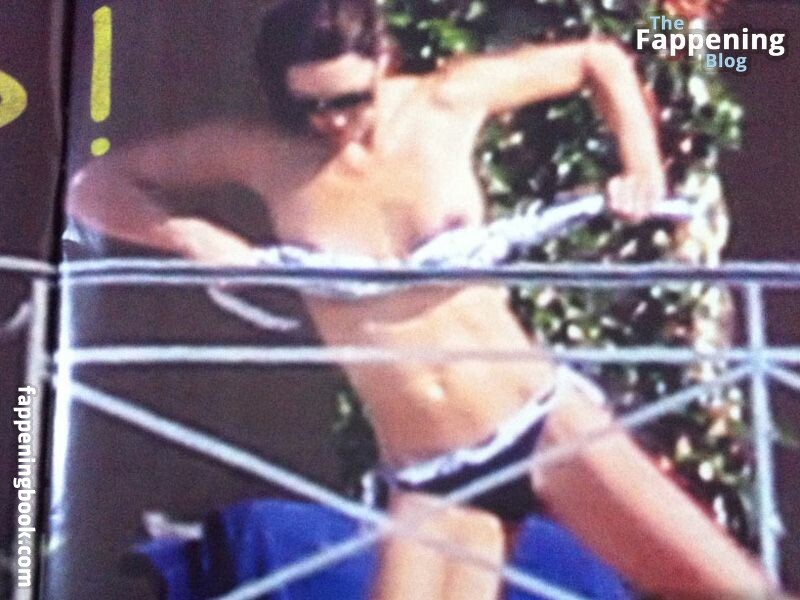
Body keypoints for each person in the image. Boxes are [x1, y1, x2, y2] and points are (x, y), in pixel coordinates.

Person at [68, 1, 778, 598]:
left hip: (544, 426)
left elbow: (600, 60)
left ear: (383, 59)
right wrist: (187, 234)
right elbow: (92, 187)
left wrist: (642, 167)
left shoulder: (447, 102)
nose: (332, 122)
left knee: (736, 594)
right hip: (432, 477)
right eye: (309, 105)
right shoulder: (265, 155)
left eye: (350, 99)